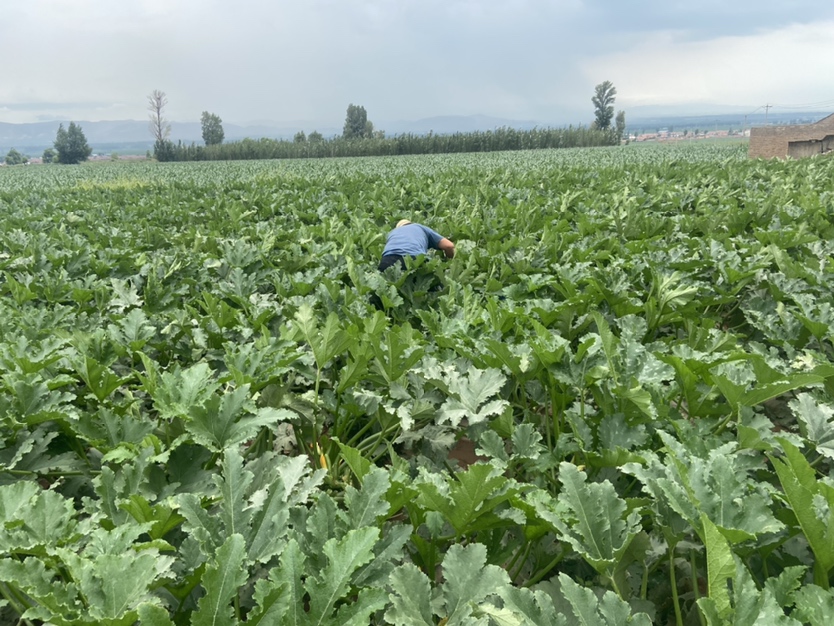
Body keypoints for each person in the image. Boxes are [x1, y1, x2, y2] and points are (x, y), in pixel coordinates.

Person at [378, 219, 455, 271]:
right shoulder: (420, 227)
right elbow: (449, 246)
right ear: (411, 223)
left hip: (387, 260)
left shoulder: (392, 232)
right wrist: (449, 263)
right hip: (414, 258)